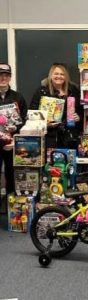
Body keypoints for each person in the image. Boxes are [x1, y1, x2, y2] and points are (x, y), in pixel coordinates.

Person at [30, 63, 83, 149]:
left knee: (68, 161)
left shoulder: (73, 91)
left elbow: (81, 110)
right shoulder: (42, 91)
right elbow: (32, 113)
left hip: (70, 137)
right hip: (49, 137)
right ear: (51, 75)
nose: (59, 76)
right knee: (50, 161)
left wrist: (78, 117)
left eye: (62, 74)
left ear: (66, 77)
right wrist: (45, 123)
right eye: (56, 74)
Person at [0, 63, 27, 201]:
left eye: (6, 75)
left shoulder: (18, 97)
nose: (3, 78)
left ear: (10, 77)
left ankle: (12, 207)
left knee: (12, 175)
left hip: (12, 144)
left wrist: (15, 130)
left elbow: (24, 120)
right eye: (0, 75)